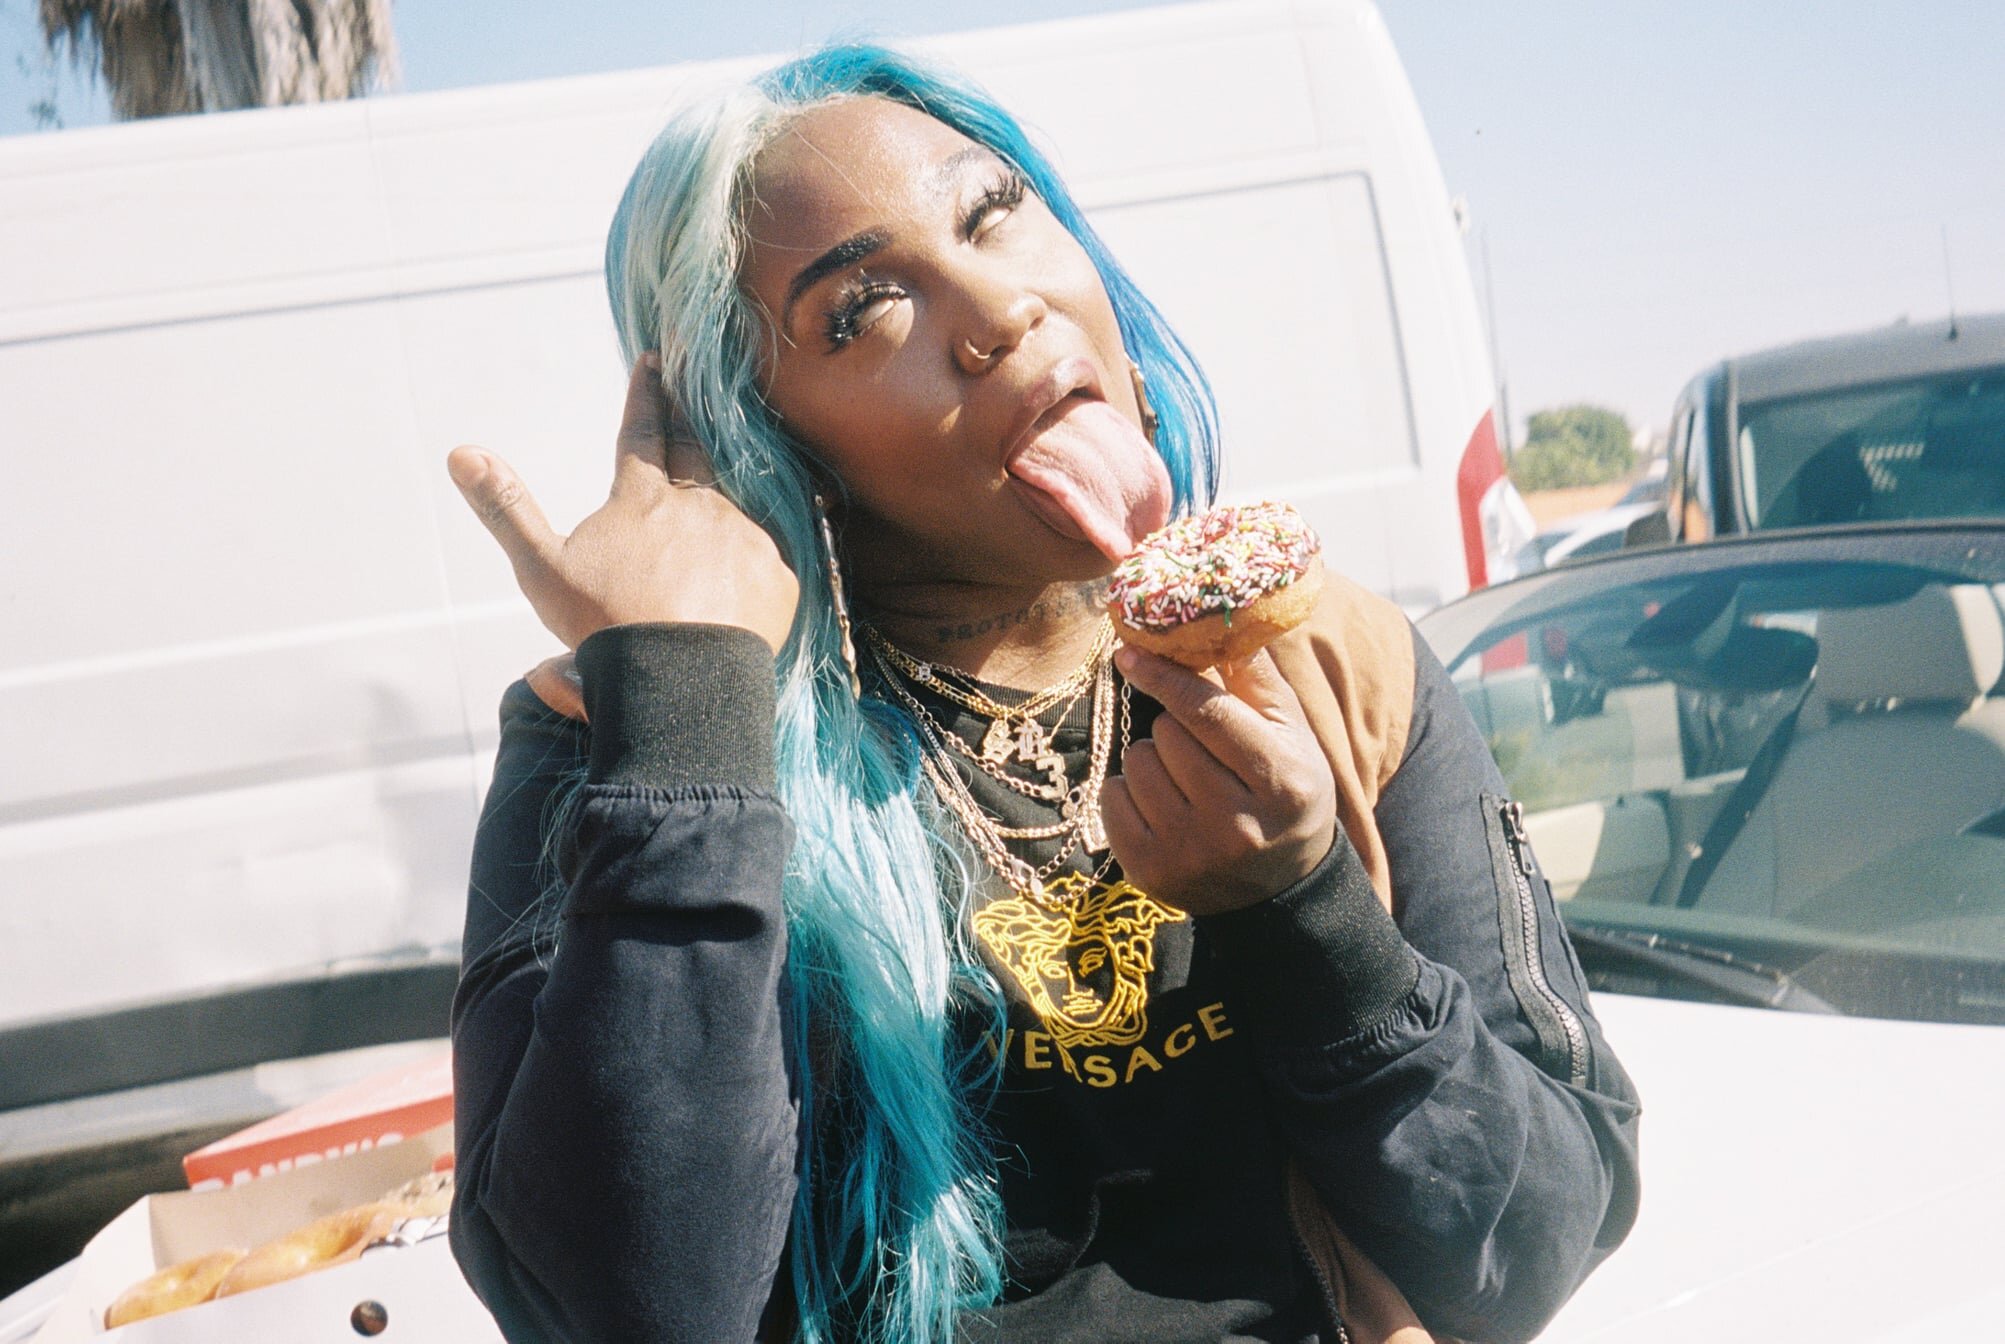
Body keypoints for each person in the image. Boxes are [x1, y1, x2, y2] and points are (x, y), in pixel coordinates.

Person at [443, 44, 1640, 1344]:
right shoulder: (623, 743)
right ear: (766, 435)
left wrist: (1308, 914)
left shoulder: (1336, 663)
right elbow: (626, 1311)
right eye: (861, 307)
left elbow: (1540, 1240)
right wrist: (684, 712)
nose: (998, 311)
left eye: (993, 212)